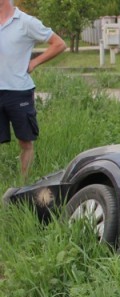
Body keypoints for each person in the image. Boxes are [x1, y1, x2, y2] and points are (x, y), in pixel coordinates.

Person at [0, 0, 66, 178]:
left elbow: (59, 44)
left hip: (19, 92)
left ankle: (23, 183)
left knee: (25, 141)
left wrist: (34, 62)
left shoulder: (26, 22)